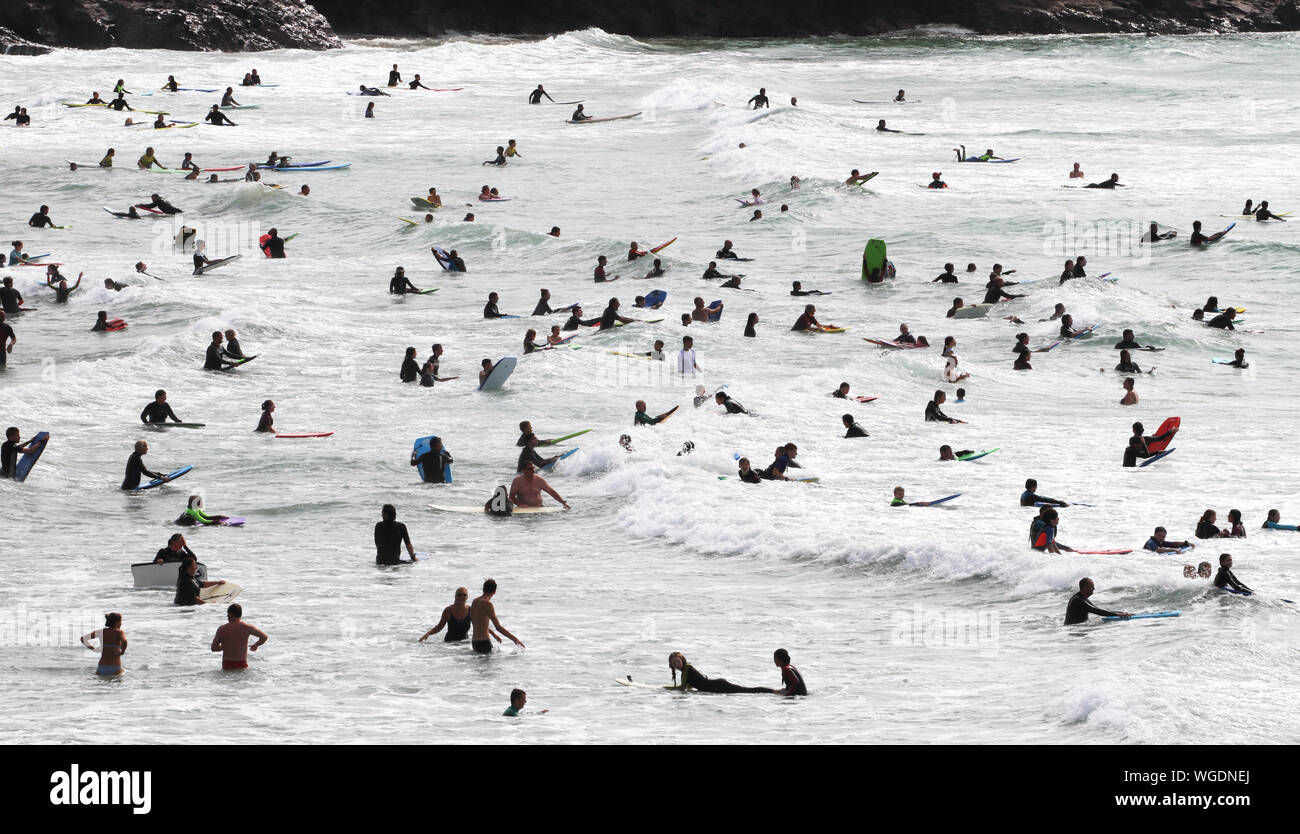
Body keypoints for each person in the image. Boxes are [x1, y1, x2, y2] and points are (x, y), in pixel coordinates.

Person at [666, 651, 769, 693]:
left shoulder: (687, 668)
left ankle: (775, 692)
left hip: (718, 686)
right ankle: (775, 692)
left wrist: (664, 688)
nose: (676, 664)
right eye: (674, 663)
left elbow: (682, 688)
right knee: (747, 691)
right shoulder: (685, 671)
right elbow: (689, 687)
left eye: (677, 661)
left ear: (682, 660)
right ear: (672, 666)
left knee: (747, 691)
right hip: (715, 687)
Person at [470, 578, 524, 653]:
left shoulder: (475, 601)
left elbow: (476, 623)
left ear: (483, 589)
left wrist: (493, 634)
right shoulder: (487, 604)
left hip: (474, 642)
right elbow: (498, 627)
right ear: (494, 592)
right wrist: (515, 639)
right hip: (484, 643)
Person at [420, 587, 492, 643]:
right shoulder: (448, 610)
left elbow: (480, 626)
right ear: (455, 596)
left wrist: (493, 635)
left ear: (467, 597)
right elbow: (439, 627)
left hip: (464, 644)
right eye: (459, 595)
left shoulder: (470, 610)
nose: (461, 597)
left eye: (464, 595)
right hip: (449, 644)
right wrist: (428, 634)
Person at [210, 604, 268, 671]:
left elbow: (213, 648)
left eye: (227, 614)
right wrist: (256, 645)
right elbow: (264, 637)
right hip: (241, 664)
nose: (227, 616)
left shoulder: (221, 629)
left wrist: (226, 646)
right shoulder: (247, 627)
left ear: (230, 614)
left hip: (226, 665)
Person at [1063, 578, 1130, 624]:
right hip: (1073, 630)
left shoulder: (1083, 599)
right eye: (1092, 586)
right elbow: (1096, 611)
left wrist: (1121, 613)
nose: (1094, 588)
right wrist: (1116, 614)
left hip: (1076, 629)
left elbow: (1097, 609)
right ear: (1084, 588)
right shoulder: (1078, 600)